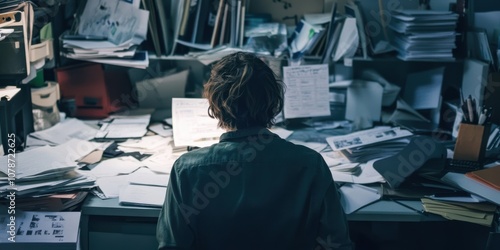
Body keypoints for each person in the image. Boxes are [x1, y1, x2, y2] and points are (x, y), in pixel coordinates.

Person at [156, 52, 353, 250]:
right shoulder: (311, 164)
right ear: (274, 102)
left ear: (214, 105)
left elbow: (172, 246)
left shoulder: (186, 170)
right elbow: (337, 244)